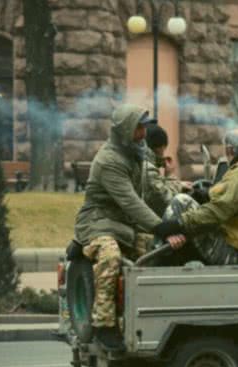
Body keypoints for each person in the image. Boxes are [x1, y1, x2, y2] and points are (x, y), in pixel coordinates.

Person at [74, 104, 185, 351]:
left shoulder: (133, 152)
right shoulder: (110, 161)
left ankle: (147, 314)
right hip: (97, 225)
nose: (144, 133)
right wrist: (162, 226)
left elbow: (149, 187)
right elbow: (131, 202)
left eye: (144, 127)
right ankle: (104, 325)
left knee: (159, 249)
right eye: (139, 128)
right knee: (111, 257)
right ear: (125, 131)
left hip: (122, 225)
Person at [164, 128, 238, 265]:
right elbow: (229, 199)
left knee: (181, 201)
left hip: (236, 253)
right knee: (192, 220)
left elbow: (218, 211)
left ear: (230, 150)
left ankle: (156, 260)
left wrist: (178, 224)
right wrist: (208, 193)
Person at [143, 124, 191, 216]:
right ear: (160, 147)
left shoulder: (142, 162)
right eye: (164, 149)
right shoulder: (148, 169)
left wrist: (178, 184)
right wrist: (170, 176)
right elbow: (166, 201)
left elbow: (156, 189)